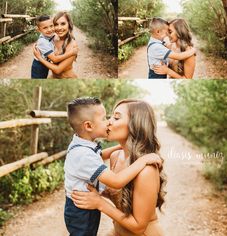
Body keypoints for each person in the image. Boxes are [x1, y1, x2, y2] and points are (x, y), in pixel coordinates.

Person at [65, 97, 162, 236]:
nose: (109, 122)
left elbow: (139, 227)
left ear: (135, 125)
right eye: (108, 117)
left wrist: (100, 203)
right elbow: (119, 195)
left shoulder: (146, 169)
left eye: (116, 118)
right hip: (119, 231)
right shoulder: (115, 156)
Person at [31, 15, 78, 79]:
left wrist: (39, 58)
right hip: (51, 75)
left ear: (69, 24)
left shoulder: (72, 45)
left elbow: (58, 69)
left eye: (63, 24)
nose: (59, 28)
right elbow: (42, 40)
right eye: (56, 24)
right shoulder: (54, 39)